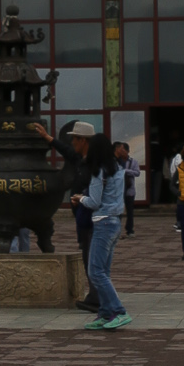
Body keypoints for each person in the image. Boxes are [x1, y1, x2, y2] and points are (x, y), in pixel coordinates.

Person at [28, 118, 97, 308]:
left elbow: (98, 195)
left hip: (94, 219)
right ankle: (94, 296)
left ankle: (99, 299)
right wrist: (47, 137)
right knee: (87, 255)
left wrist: (81, 198)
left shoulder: (95, 163)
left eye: (74, 139)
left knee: (94, 259)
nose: (72, 143)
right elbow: (65, 150)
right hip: (83, 218)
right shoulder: (79, 158)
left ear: (83, 140)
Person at [79, 133, 129, 329]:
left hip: (103, 222)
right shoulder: (117, 169)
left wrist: (79, 199)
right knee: (103, 271)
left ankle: (118, 310)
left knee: (95, 272)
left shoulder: (98, 171)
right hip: (115, 221)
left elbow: (94, 201)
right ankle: (106, 313)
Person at [116, 141, 139, 236]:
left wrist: (125, 171)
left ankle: (130, 229)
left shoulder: (133, 161)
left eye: (124, 150)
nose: (123, 152)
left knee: (130, 211)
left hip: (129, 189)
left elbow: (137, 173)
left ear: (128, 151)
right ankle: (117, 230)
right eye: (121, 150)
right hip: (120, 189)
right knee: (118, 211)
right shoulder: (117, 161)